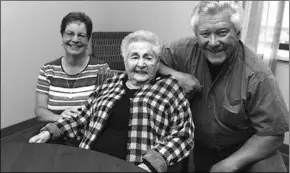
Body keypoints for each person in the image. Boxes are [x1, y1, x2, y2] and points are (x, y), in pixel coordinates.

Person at [29, 30, 195, 173]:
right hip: (90, 160)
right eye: (134, 57)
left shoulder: (170, 88)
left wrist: (153, 163)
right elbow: (83, 118)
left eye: (148, 58)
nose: (141, 64)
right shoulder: (110, 83)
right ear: (125, 60)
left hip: (135, 167)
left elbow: (183, 134)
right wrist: (50, 132)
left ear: (157, 62)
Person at [159, 1, 289, 172]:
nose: (213, 42)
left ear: (238, 32)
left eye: (222, 32)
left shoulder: (257, 75)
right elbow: (151, 62)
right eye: (205, 34)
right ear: (196, 34)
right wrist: (175, 75)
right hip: (199, 146)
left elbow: (273, 133)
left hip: (245, 147)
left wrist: (231, 164)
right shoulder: (181, 49)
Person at [34, 12, 111, 146]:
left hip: (87, 138)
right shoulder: (48, 70)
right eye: (69, 33)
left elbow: (103, 111)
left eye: (81, 35)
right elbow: (40, 111)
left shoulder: (102, 69)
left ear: (88, 39)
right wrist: (60, 118)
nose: (75, 39)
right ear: (62, 36)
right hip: (51, 136)